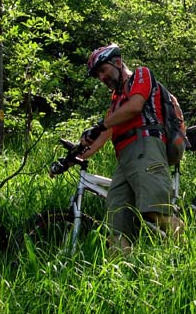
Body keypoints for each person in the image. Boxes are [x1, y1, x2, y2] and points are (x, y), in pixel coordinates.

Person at [79, 44, 184, 251]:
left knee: (156, 211)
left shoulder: (140, 76)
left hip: (146, 145)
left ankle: (192, 261)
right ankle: (122, 278)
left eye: (103, 70)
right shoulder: (116, 101)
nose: (101, 78)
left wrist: (101, 124)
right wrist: (76, 155)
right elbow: (103, 136)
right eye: (98, 75)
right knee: (117, 226)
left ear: (117, 62)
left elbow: (136, 105)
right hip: (125, 159)